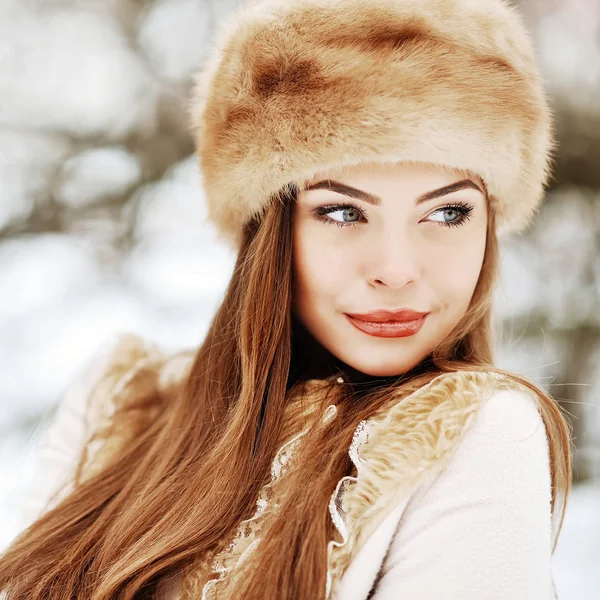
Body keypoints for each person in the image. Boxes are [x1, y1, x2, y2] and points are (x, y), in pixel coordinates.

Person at [0, 0, 573, 599]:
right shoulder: (119, 408)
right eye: (343, 212)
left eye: (448, 212)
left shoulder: (478, 433)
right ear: (269, 233)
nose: (397, 269)